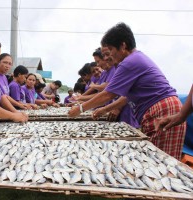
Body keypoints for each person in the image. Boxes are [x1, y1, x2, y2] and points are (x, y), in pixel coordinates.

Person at [69, 22, 185, 160]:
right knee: (158, 160)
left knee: (164, 163)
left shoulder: (129, 62)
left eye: (110, 50)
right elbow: (126, 97)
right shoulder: (134, 59)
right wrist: (104, 110)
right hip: (162, 108)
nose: (108, 56)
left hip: (164, 111)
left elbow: (108, 93)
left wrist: (80, 108)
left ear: (123, 46)